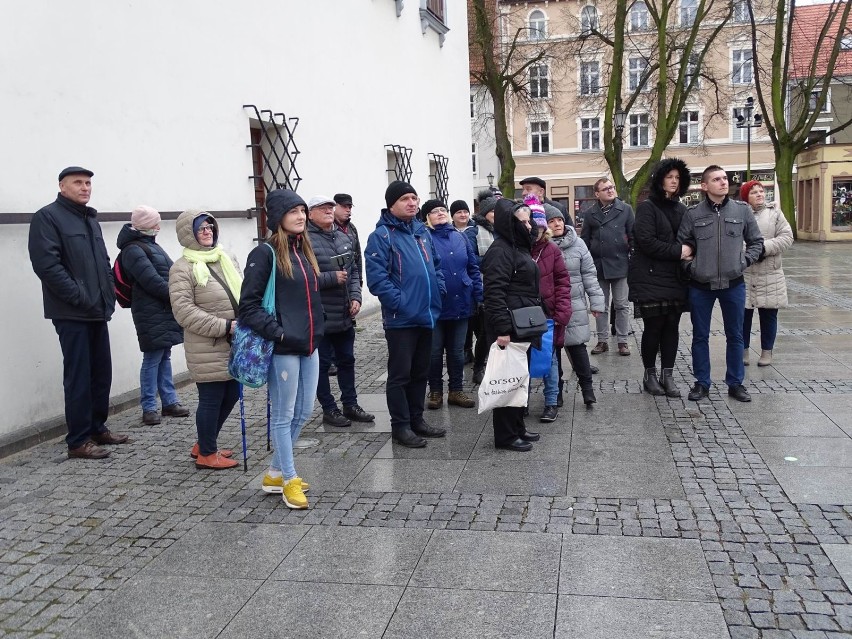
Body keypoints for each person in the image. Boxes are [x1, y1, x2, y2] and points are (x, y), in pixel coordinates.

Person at [28, 166, 128, 459]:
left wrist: (108, 291)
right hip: (71, 312)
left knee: (101, 373)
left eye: (88, 183)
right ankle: (78, 441)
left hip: (97, 309)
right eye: (78, 183)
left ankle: (97, 428)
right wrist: (80, 296)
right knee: (79, 376)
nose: (85, 187)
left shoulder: (90, 219)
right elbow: (47, 266)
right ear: (62, 186)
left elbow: (103, 260)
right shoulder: (47, 217)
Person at [239, 189, 324, 509]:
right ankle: (289, 479)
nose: (301, 216)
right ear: (278, 218)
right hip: (285, 347)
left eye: (303, 210)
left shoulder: (303, 249)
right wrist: (280, 334)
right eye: (293, 211)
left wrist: (321, 325)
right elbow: (247, 305)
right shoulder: (265, 253)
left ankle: (274, 472)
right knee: (284, 414)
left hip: (310, 344)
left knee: (304, 411)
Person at [365, 181, 446, 448]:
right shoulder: (382, 236)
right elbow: (377, 280)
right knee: (400, 375)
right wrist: (401, 303)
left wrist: (439, 289)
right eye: (405, 199)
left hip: (427, 314)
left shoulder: (421, 231)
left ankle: (416, 419)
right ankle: (400, 426)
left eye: (414, 198)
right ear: (392, 204)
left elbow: (435, 265)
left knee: (420, 372)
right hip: (402, 319)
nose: (412, 202)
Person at [677, 165, 764, 402]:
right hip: (700, 286)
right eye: (716, 179)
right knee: (700, 336)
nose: (723, 182)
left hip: (733, 284)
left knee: (735, 335)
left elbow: (757, 242)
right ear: (705, 186)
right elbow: (682, 245)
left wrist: (743, 262)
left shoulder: (742, 210)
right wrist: (691, 267)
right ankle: (701, 383)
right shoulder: (693, 214)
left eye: (725, 178)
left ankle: (736, 383)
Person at [169, 209, 242, 470]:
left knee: (232, 393)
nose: (208, 231)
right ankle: (207, 454)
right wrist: (224, 326)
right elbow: (184, 311)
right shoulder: (182, 268)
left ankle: (204, 441)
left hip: (234, 342)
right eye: (202, 228)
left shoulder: (225, 257)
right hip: (207, 345)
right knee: (211, 398)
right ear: (189, 233)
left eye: (211, 226)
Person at [117, 205, 189, 424]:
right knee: (151, 358)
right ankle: (149, 407)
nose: (158, 227)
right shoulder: (133, 250)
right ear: (144, 225)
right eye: (154, 223)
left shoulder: (149, 245)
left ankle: (169, 402)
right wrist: (178, 294)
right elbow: (151, 281)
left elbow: (169, 272)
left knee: (163, 355)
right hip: (150, 312)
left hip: (162, 310)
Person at [306, 195, 374, 427]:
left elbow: (353, 269)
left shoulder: (342, 235)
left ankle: (350, 404)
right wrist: (330, 278)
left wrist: (355, 295)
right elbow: (301, 277)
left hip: (344, 313)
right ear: (310, 213)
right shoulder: (304, 240)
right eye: (322, 208)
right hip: (320, 315)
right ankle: (329, 408)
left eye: (330, 207)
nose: (328, 211)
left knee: (347, 360)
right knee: (322, 365)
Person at [628, 159, 692, 397]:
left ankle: (668, 374)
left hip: (675, 278)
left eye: (677, 177)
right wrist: (678, 251)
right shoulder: (647, 207)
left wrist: (690, 248)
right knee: (653, 327)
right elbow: (646, 242)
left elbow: (689, 237)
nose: (674, 181)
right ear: (660, 179)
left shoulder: (682, 209)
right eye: (669, 177)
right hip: (650, 276)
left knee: (672, 327)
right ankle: (650, 374)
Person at [481, 198, 542, 451]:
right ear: (510, 224)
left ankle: (517, 427)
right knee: (508, 380)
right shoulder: (501, 250)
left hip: (522, 323)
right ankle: (505, 435)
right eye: (523, 221)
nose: (529, 226)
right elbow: (494, 292)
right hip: (510, 326)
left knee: (519, 378)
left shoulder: (518, 247)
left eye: (529, 221)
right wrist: (502, 330)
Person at [421, 199, 482, 410]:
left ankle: (456, 391)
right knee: (435, 351)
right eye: (434, 211)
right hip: (435, 305)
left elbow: (473, 267)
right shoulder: (423, 238)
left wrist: (478, 293)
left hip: (461, 302)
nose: (439, 213)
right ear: (426, 217)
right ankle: (436, 391)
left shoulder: (460, 236)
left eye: (442, 210)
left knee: (457, 351)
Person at [548, 206, 604, 407]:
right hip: (551, 307)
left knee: (577, 347)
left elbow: (589, 274)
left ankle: (587, 390)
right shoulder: (541, 246)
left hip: (575, 305)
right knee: (552, 351)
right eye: (551, 221)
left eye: (560, 220)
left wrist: (596, 302)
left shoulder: (578, 244)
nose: (557, 224)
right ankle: (556, 391)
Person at [740, 180, 794, 367]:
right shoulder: (739, 214)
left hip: (770, 273)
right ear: (746, 196)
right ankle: (743, 350)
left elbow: (787, 237)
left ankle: (766, 352)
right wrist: (748, 251)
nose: (759, 194)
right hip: (746, 273)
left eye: (761, 191)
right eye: (754, 192)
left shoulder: (775, 214)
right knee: (743, 316)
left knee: (769, 316)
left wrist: (763, 248)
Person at [581, 178, 635, 356]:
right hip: (599, 265)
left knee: (621, 305)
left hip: (621, 265)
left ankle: (622, 341)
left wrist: (632, 258)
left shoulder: (626, 209)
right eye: (605, 189)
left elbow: (633, 236)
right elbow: (585, 241)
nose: (610, 190)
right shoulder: (590, 214)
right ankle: (602, 341)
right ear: (597, 194)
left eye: (612, 187)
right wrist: (585, 263)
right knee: (600, 305)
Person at [530, 205, 572, 422]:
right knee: (524, 359)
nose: (534, 231)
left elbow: (563, 282)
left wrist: (563, 312)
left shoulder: (552, 250)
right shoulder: (518, 249)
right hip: (525, 314)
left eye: (538, 226)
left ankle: (551, 402)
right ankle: (522, 402)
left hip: (549, 313)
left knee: (551, 359)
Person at [470, 194, 499, 384]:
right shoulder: (474, 232)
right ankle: (478, 366)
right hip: (485, 285)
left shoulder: (504, 230)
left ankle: (497, 365)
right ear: (485, 213)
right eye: (492, 211)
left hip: (503, 285)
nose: (496, 215)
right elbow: (472, 261)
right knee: (485, 332)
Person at [450, 199, 477, 364]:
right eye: (459, 212)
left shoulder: (476, 231)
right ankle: (465, 349)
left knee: (476, 320)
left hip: (474, 278)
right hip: (457, 282)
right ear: (452, 215)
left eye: (465, 211)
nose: (463, 214)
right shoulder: (449, 232)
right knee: (463, 319)